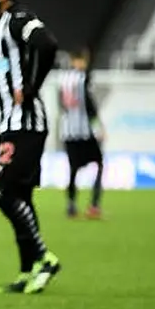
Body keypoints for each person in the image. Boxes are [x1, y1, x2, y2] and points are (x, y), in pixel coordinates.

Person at [0, 0, 62, 294]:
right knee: (20, 196)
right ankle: (28, 271)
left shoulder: (17, 18)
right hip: (10, 124)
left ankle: (44, 257)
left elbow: (47, 43)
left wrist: (32, 87)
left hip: (25, 123)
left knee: (3, 192)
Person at [58, 48, 104, 218]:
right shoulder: (83, 78)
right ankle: (94, 205)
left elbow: (61, 104)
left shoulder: (62, 79)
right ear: (80, 60)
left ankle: (71, 206)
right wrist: (98, 127)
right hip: (84, 131)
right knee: (99, 163)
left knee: (73, 168)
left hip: (68, 131)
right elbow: (89, 105)